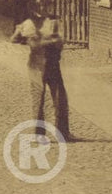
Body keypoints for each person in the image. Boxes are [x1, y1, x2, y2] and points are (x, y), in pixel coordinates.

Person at [11, 8, 71, 140]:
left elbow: (15, 39)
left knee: (58, 98)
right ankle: (47, 134)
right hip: (41, 65)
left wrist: (34, 39)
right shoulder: (35, 23)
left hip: (45, 65)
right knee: (44, 99)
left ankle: (59, 133)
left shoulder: (49, 23)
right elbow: (15, 38)